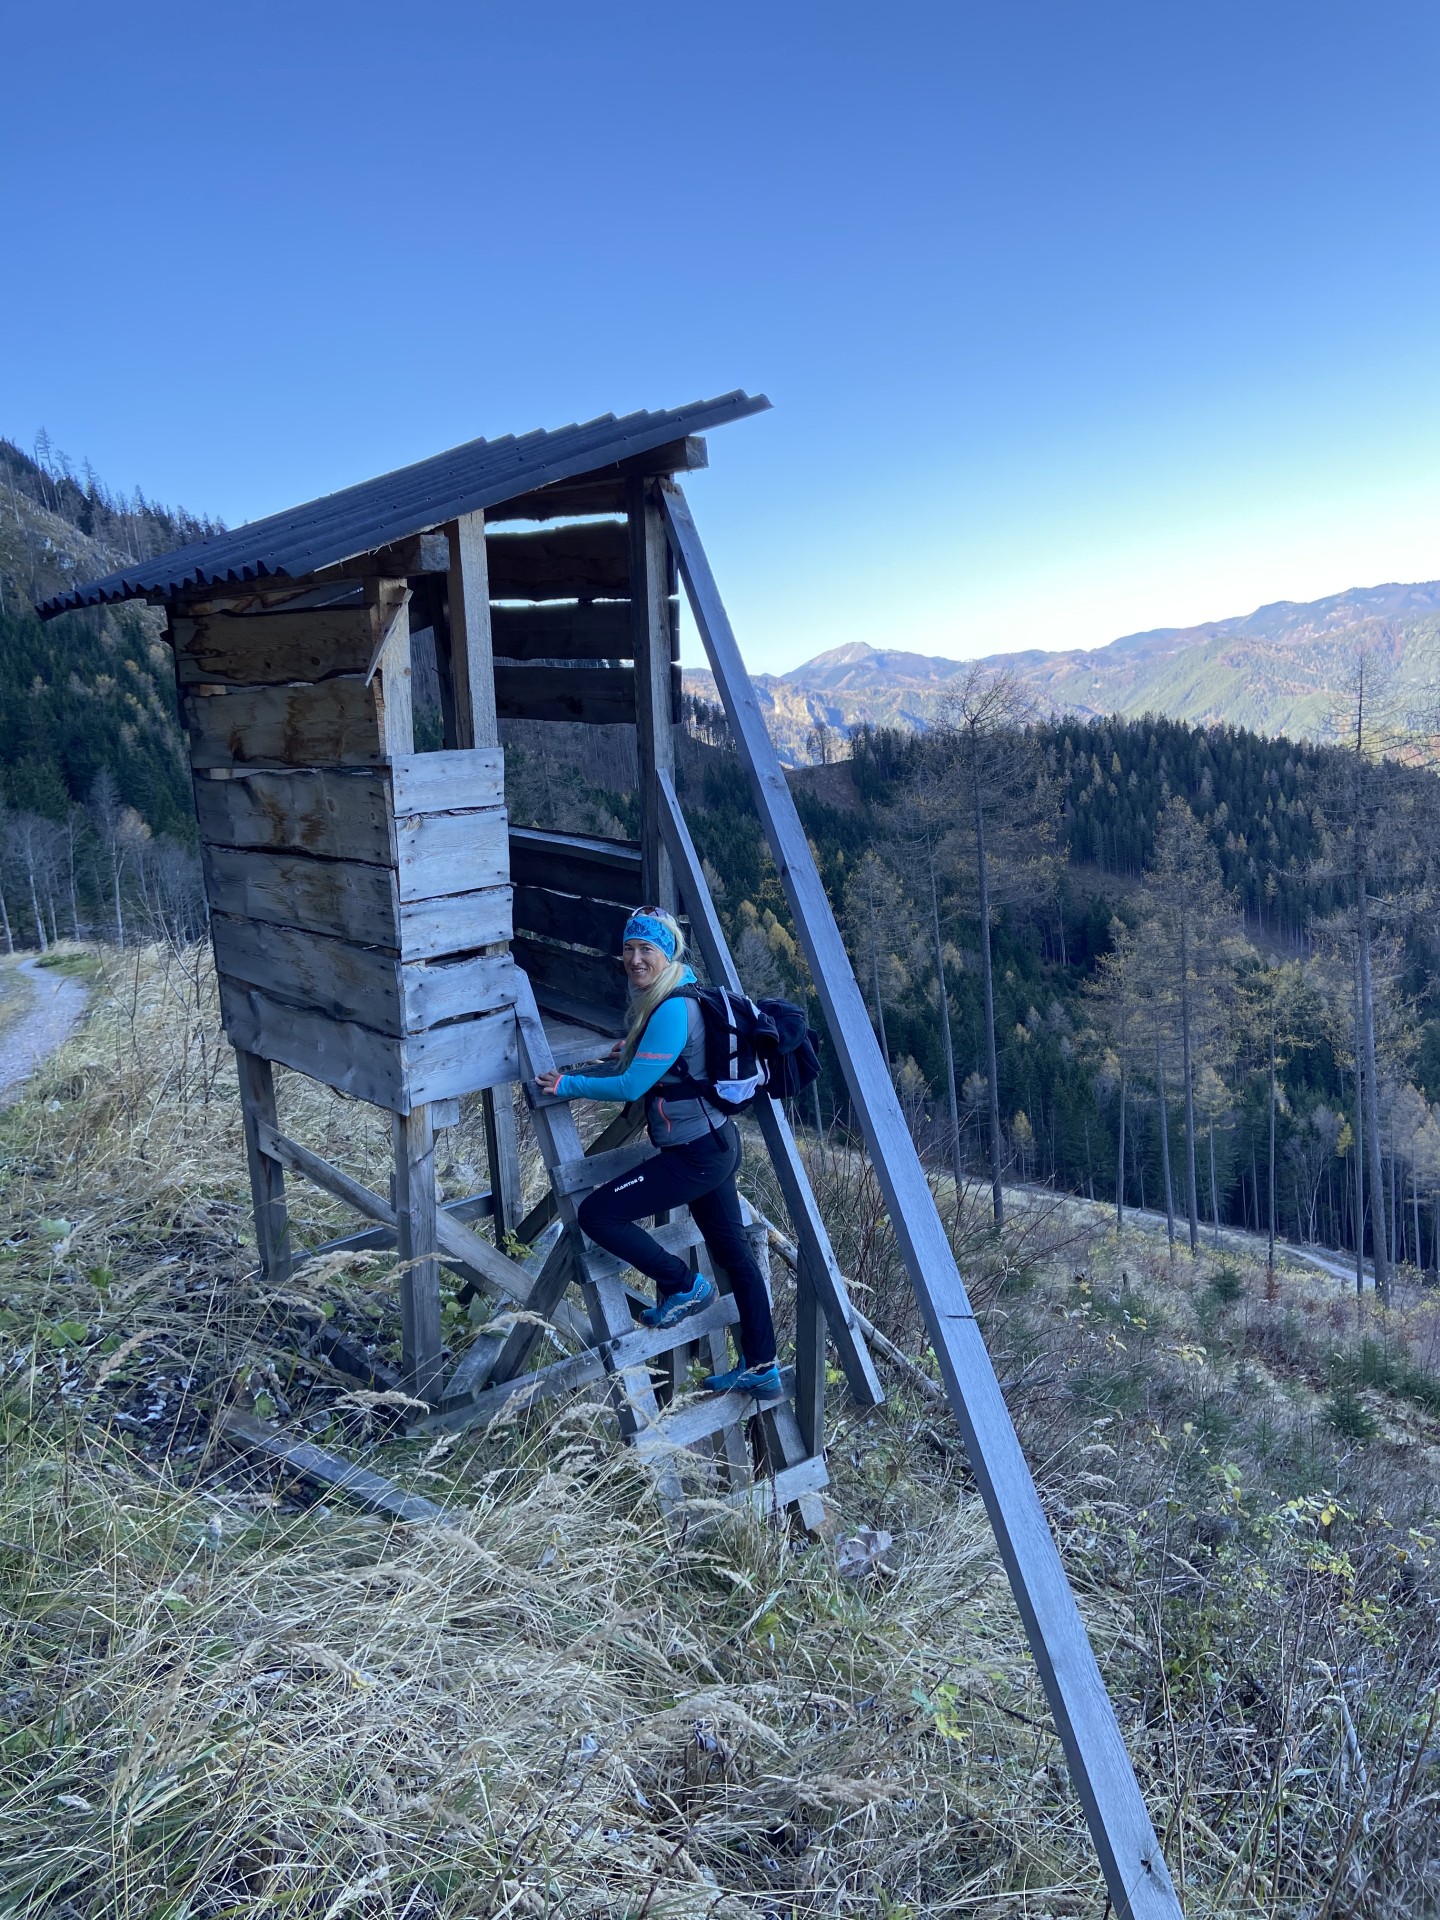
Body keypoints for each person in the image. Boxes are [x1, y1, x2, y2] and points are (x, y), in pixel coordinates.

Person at [534, 907, 782, 1398]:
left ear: (666, 952)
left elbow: (632, 1087)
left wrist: (568, 1083)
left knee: (598, 1215)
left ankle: (683, 1285)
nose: (634, 958)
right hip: (716, 1144)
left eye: (646, 949)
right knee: (736, 1256)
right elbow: (672, 1053)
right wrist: (632, 1045)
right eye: (628, 948)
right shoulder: (680, 993)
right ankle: (763, 1366)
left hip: (695, 1154)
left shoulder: (671, 1008)